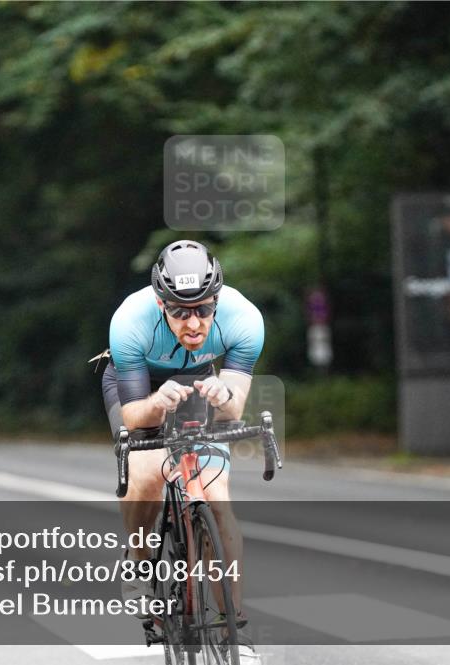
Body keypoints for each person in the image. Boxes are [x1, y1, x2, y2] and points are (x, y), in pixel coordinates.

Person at [101, 240, 263, 657]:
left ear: (217, 300)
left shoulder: (244, 319)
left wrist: (223, 394)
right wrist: (157, 402)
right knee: (146, 473)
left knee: (217, 497)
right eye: (179, 312)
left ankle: (233, 630)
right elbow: (135, 415)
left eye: (203, 310)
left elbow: (234, 407)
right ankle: (140, 561)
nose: (193, 323)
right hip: (140, 386)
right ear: (161, 304)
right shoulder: (130, 321)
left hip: (200, 380)